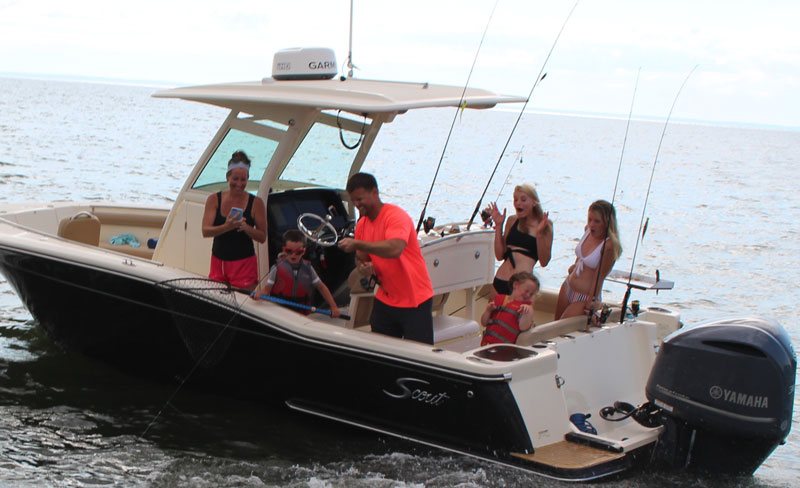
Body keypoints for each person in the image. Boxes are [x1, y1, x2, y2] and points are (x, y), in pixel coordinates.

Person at [338, 172, 434, 344]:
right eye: (353, 201)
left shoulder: (395, 216)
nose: (357, 205)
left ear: (374, 192)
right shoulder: (362, 224)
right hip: (385, 299)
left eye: (360, 199)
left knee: (420, 356)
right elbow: (361, 258)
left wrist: (358, 244)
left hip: (415, 300)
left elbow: (395, 248)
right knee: (381, 349)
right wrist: (362, 267)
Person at [201, 151, 267, 291]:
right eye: (235, 179)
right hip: (218, 262)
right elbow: (205, 231)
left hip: (244, 265)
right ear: (227, 177)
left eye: (243, 180)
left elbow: (262, 236)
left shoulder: (256, 203)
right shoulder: (214, 199)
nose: (239, 184)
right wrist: (227, 226)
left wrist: (246, 227)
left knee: (243, 303)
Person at [555, 200, 622, 320]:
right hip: (567, 286)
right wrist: (575, 265)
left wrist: (591, 304)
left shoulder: (608, 246)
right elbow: (581, 255)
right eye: (590, 219)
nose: (592, 224)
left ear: (607, 223)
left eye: (597, 221)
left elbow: (599, 277)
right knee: (553, 325)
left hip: (584, 297)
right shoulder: (587, 230)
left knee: (560, 327)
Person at [485, 184, 553, 296]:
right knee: (492, 313)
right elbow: (499, 255)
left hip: (521, 285)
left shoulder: (545, 224)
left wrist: (539, 234)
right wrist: (498, 226)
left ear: (534, 202)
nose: (518, 203)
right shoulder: (512, 221)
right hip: (501, 278)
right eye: (515, 200)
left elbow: (544, 261)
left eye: (523, 199)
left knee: (514, 313)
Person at [255, 230, 341, 317]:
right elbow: (266, 290)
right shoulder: (276, 268)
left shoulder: (309, 269)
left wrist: (333, 307)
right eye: (289, 251)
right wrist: (259, 294)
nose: (293, 255)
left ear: (304, 251)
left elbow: (321, 287)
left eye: (298, 252)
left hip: (302, 316)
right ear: (283, 249)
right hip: (280, 313)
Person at [481, 271, 539, 346]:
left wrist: (526, 314)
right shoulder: (499, 299)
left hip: (505, 349)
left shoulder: (527, 308)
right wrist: (488, 311)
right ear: (515, 285)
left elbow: (523, 327)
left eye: (531, 294)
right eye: (526, 291)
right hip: (486, 345)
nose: (528, 295)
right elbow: (484, 323)